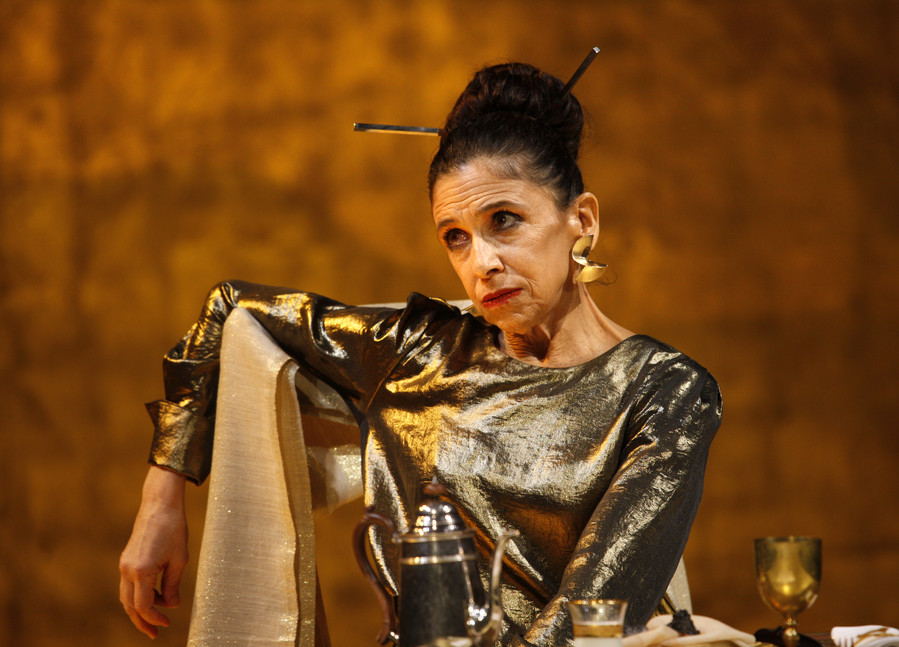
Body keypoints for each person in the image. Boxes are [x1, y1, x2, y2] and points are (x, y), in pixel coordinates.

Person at [119, 61, 721, 647]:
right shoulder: (419, 350)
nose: (481, 263)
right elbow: (231, 307)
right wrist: (161, 501)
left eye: (504, 220)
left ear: (581, 219)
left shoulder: (666, 391)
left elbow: (593, 618)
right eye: (455, 237)